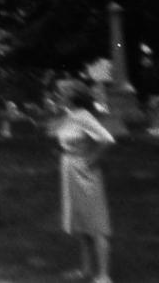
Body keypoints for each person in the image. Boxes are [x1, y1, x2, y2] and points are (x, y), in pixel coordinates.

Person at [52, 78, 116, 282]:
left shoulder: (83, 116)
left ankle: (104, 275)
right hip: (70, 170)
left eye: (61, 93)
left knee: (96, 223)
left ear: (72, 96)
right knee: (80, 222)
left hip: (85, 171)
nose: (58, 96)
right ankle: (87, 270)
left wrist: (92, 159)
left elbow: (107, 139)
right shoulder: (69, 116)